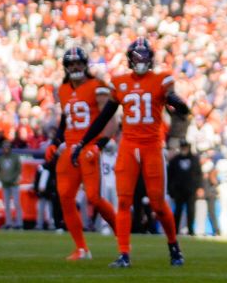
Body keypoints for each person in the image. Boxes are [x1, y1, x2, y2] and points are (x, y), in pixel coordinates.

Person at [73, 38, 191, 267]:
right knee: (124, 201)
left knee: (157, 203)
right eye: (136, 58)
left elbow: (180, 109)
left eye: (144, 57)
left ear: (151, 59)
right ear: (129, 60)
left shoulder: (162, 79)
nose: (140, 62)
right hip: (128, 145)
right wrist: (84, 141)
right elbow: (105, 116)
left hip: (152, 146)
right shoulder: (120, 82)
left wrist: (179, 104)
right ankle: (124, 254)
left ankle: (174, 246)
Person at [50, 47, 118, 260]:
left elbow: (112, 119)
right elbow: (65, 120)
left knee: (94, 198)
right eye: (71, 64)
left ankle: (121, 235)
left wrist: (99, 144)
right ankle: (81, 248)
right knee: (65, 197)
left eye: (78, 63)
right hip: (70, 148)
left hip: (88, 146)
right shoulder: (62, 90)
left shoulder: (97, 86)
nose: (75, 67)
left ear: (85, 64)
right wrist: (55, 141)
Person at [167, 141, 200, 237]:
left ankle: (191, 229)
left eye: (186, 147)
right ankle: (175, 230)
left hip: (191, 190)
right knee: (177, 210)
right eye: (183, 147)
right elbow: (170, 175)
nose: (184, 149)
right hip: (178, 190)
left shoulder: (194, 159)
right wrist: (171, 189)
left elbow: (198, 174)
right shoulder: (175, 160)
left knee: (191, 211)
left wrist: (199, 187)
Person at [0, 141, 23, 230]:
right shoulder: (0, 158)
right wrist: (2, 178)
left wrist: (14, 178)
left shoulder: (15, 157)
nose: (6, 149)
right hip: (5, 184)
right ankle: (8, 222)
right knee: (6, 204)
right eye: (4, 148)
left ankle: (19, 223)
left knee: (16, 203)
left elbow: (18, 169)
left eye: (7, 148)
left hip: (14, 183)